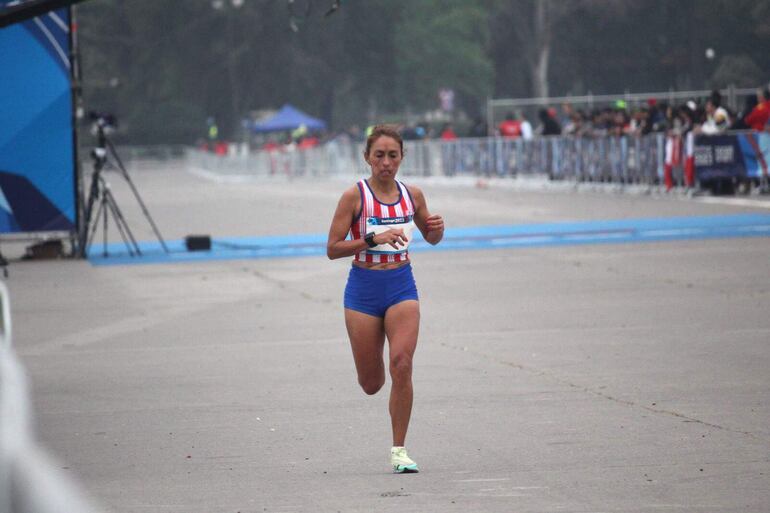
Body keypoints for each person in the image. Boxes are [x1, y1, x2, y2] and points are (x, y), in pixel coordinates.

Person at [326, 125, 444, 473]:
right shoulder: (354, 197)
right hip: (363, 290)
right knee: (372, 383)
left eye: (393, 155)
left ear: (402, 157)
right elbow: (332, 249)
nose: (386, 163)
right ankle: (372, 376)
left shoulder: (414, 195)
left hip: (401, 286)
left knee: (402, 364)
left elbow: (432, 237)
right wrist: (371, 239)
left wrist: (437, 229)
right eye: (379, 155)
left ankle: (399, 451)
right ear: (367, 158)